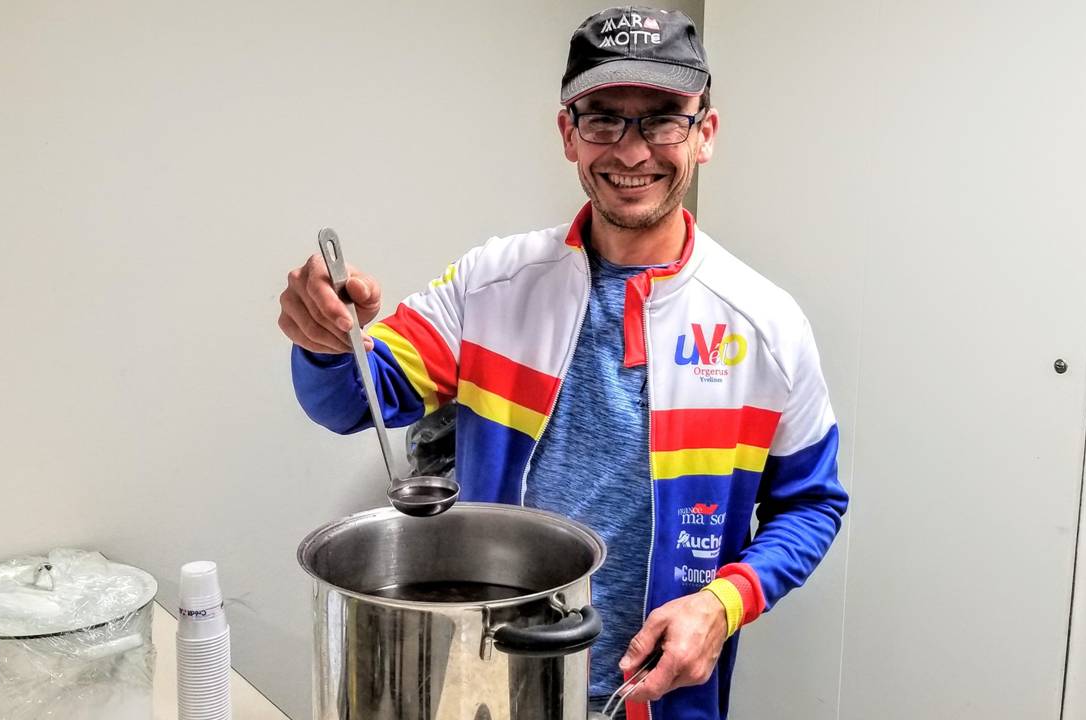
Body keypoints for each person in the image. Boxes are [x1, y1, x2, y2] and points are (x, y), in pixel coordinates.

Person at [278, 7, 848, 719]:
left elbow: (812, 504)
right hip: (489, 686)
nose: (632, 152)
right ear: (568, 134)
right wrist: (323, 339)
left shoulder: (766, 325)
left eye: (663, 120)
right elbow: (349, 401)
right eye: (603, 119)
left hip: (658, 697)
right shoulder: (490, 284)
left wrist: (722, 604)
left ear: (705, 133)